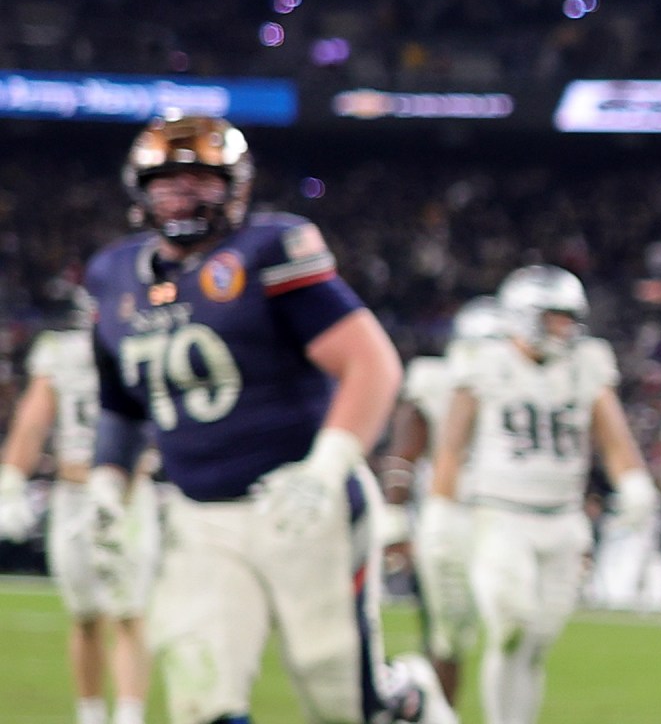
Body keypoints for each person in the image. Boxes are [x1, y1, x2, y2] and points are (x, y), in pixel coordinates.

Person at [83, 113, 452, 724]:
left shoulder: (268, 249)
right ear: (139, 190)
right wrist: (105, 485)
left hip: (300, 501)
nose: (182, 194)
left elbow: (372, 364)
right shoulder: (113, 275)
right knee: (200, 693)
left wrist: (326, 468)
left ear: (236, 187)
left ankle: (410, 701)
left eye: (201, 179)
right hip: (200, 515)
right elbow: (120, 403)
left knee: (341, 701)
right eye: (166, 180)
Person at [430, 265, 659, 724]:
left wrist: (635, 483)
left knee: (537, 642)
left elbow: (614, 439)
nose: (565, 328)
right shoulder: (484, 360)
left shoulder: (586, 363)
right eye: (555, 317)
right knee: (512, 626)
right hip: (500, 515)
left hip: (564, 519)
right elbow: (451, 445)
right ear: (524, 316)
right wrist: (442, 508)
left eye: (569, 318)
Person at [0, 289, 160, 724]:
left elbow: (33, 421)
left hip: (118, 493)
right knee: (97, 614)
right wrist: (11, 479)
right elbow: (34, 419)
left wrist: (13, 480)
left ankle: (126, 717)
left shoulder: (80, 349)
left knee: (120, 613)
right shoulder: (101, 348)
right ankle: (97, 716)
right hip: (91, 492)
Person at [380, 295, 504, 705]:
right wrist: (395, 520)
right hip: (451, 518)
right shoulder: (435, 381)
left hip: (503, 517)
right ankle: (435, 710)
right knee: (446, 635)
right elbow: (403, 454)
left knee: (510, 627)